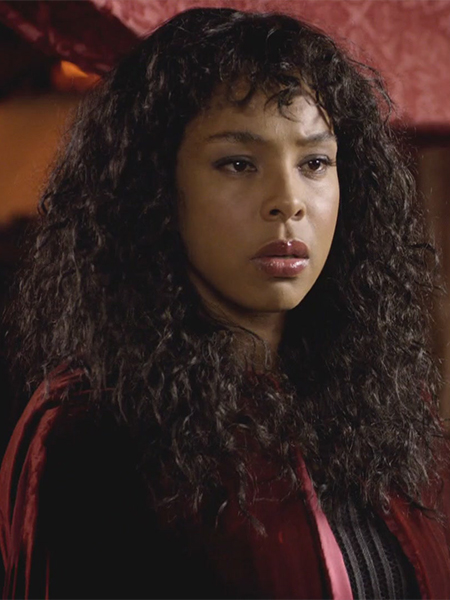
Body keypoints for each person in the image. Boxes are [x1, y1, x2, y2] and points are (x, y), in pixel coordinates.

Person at [1, 7, 449, 599]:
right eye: (238, 163)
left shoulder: (382, 405)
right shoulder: (92, 428)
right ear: (156, 189)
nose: (288, 200)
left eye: (315, 163)